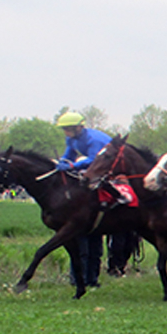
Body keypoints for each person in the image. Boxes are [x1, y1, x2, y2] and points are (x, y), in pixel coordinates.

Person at [56, 111, 114, 288]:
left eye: (68, 129)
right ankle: (80, 278)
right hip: (92, 168)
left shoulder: (94, 139)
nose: (66, 132)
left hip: (107, 168)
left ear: (78, 127)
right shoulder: (71, 138)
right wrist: (62, 163)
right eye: (64, 129)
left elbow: (93, 160)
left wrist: (72, 165)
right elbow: (69, 154)